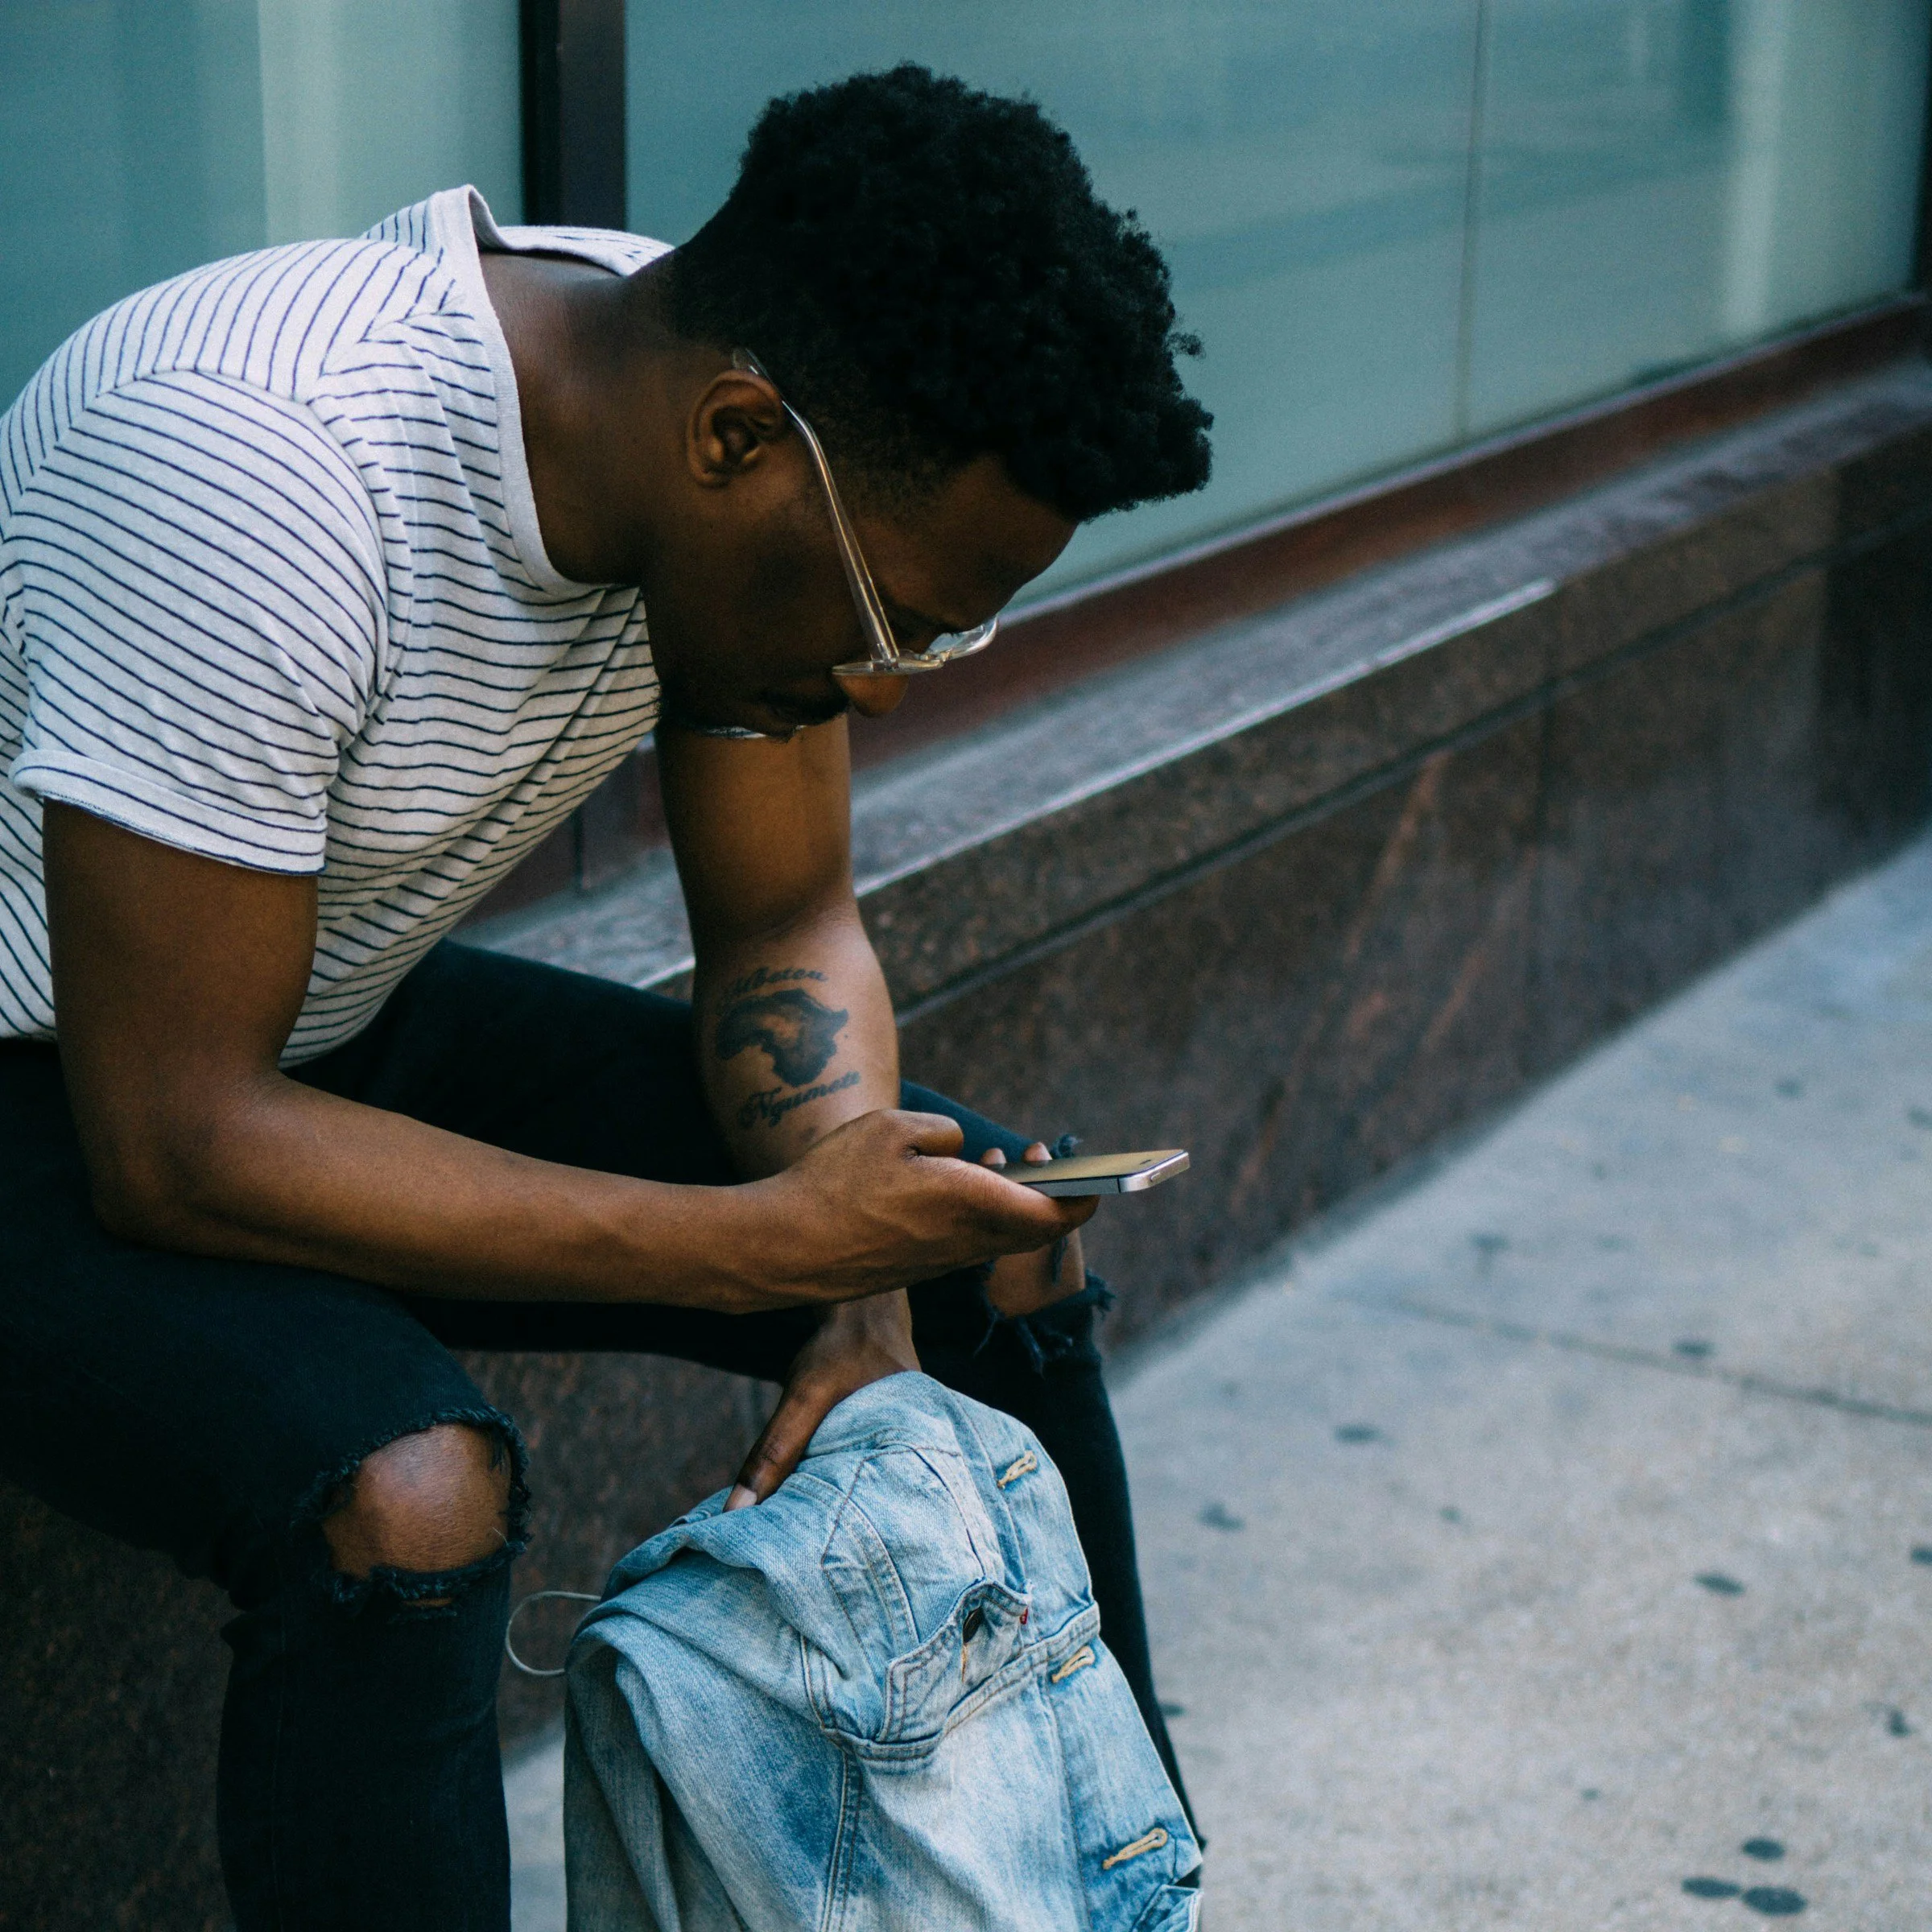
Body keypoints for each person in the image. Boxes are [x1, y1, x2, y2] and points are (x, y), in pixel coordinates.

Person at [0, 64, 1211, 1932]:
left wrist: (852, 1268)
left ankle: (1110, 1879)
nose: (890, 688)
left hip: (311, 1006)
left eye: (951, 636)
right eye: (896, 621)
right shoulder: (253, 458)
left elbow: (789, 918)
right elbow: (175, 1143)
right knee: (405, 1495)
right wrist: (750, 1248)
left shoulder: (727, 410)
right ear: (738, 445)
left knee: (993, 1226)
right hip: (75, 1081)